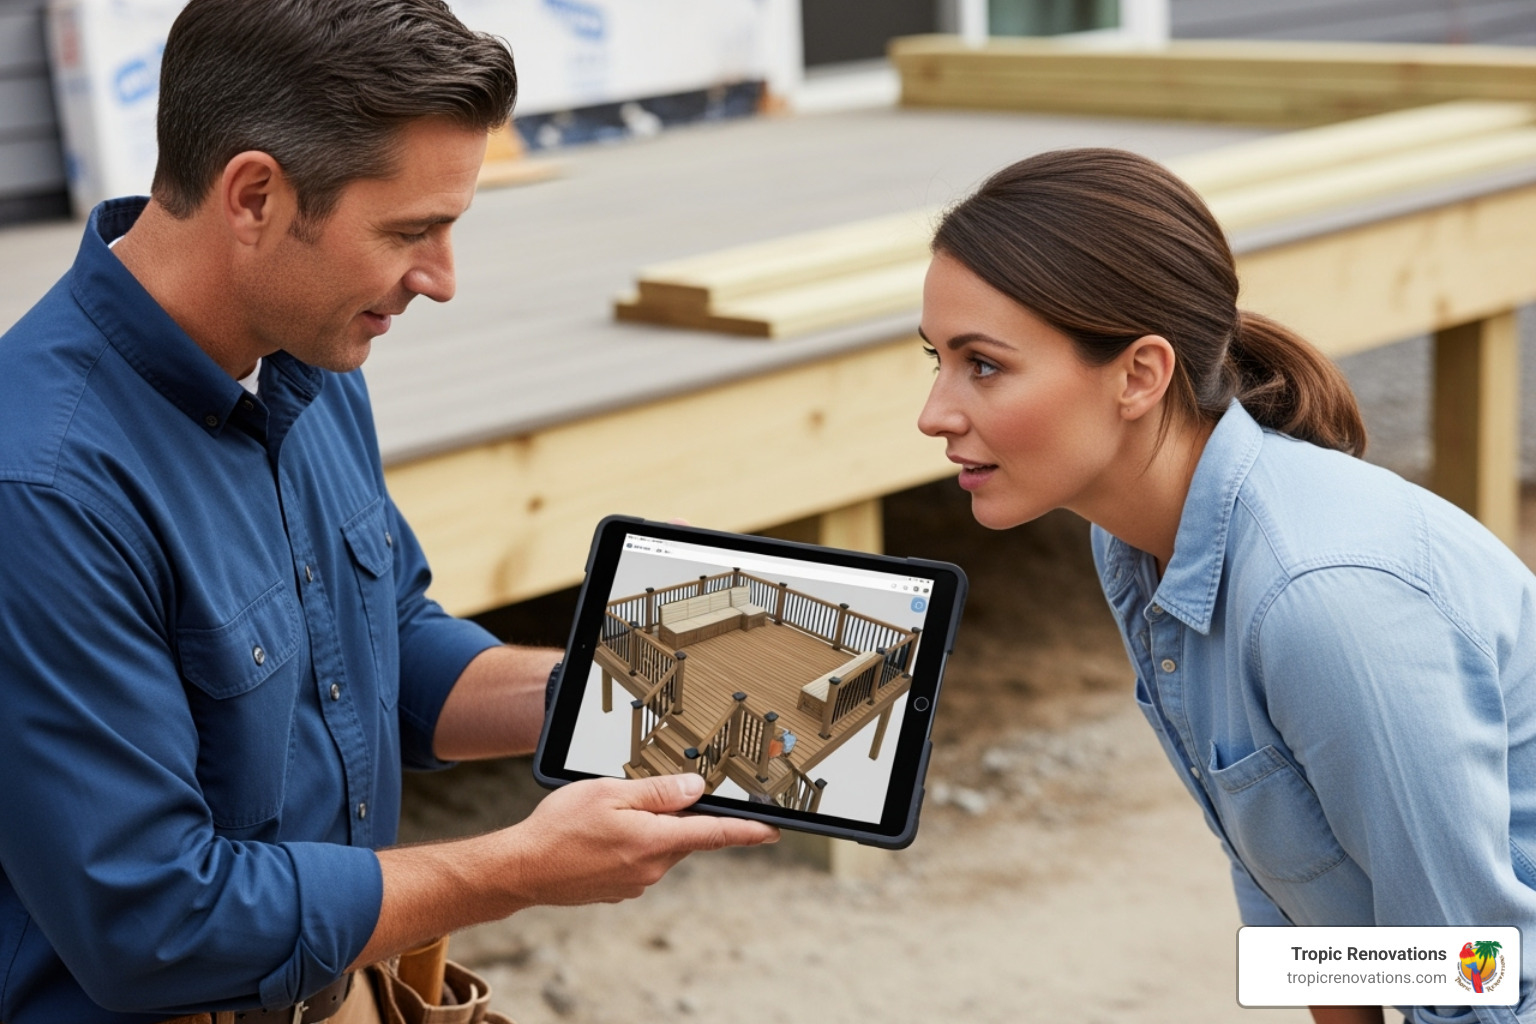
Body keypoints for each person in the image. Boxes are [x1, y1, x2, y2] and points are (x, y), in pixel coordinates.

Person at [0, 2, 776, 1022]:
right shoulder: (42, 487)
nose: (443, 281)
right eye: (412, 231)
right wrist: (518, 866)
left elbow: (382, 647)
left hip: (344, 990)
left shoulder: (309, 359)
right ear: (254, 196)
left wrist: (635, 694)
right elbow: (153, 920)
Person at [916, 148, 1535, 1024]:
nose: (934, 412)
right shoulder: (1132, 543)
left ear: (1139, 375)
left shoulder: (1322, 600)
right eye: (936, 359)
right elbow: (1295, 875)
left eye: (983, 364)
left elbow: (1476, 976)